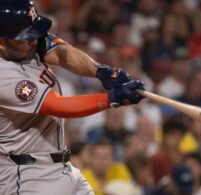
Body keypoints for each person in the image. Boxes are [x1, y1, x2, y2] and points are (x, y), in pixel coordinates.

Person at [0, 1, 144, 195]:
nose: (33, 40)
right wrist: (112, 98)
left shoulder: (22, 47)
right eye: (25, 37)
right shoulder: (3, 74)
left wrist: (101, 71)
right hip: (27, 176)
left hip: (62, 168)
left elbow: (60, 52)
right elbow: (57, 105)